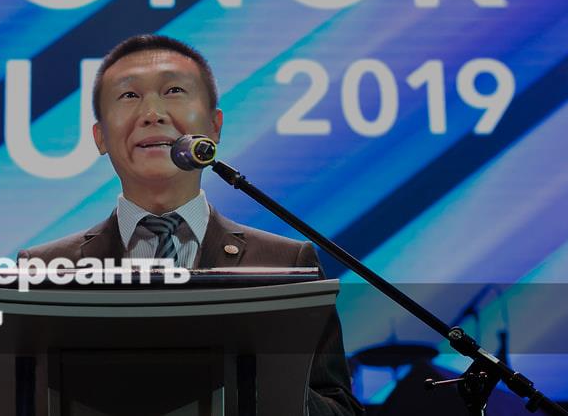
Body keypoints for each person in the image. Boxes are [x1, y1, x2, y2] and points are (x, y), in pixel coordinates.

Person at [20, 34, 364, 416]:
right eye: (129, 95)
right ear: (100, 137)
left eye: (174, 91)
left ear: (214, 127)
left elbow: (340, 409)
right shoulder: (43, 270)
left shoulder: (286, 264)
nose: (153, 113)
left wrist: (262, 377)